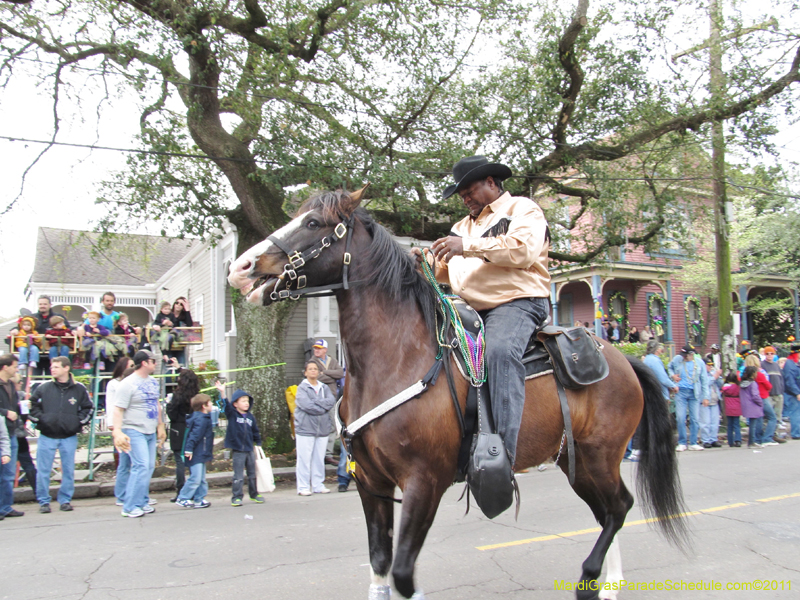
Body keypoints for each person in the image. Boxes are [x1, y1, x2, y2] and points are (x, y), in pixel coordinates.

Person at [417, 155, 551, 465]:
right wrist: (422, 264)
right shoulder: (462, 227)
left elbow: (523, 251)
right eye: (461, 195)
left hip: (517, 303)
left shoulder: (522, 209)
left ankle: (501, 454)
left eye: (469, 192)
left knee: (499, 351)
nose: (464, 200)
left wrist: (466, 246)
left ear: (491, 183)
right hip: (471, 310)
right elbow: (444, 271)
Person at [28, 356, 93, 513]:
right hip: (47, 435)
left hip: (68, 436)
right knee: (43, 470)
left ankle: (65, 500)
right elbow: (32, 406)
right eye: (52, 366)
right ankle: (43, 501)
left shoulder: (79, 389)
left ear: (66, 368)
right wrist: (42, 420)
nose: (52, 369)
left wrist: (77, 422)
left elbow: (88, 408)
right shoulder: (43, 388)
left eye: (56, 366)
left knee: (68, 470)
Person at [112, 350, 166, 518]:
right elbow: (118, 409)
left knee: (148, 467)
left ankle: (141, 501)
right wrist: (117, 431)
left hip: (150, 430)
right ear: (144, 362)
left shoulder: (153, 382)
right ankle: (129, 506)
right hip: (133, 429)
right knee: (140, 465)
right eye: (153, 361)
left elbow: (156, 404)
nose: (155, 364)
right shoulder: (127, 384)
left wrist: (161, 426)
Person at [216, 382, 265, 506]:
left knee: (252, 474)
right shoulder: (232, 414)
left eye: (247, 401)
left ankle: (254, 494)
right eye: (243, 401)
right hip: (238, 450)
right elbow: (226, 406)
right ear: (235, 404)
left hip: (249, 449)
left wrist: (258, 442)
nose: (246, 403)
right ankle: (237, 496)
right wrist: (222, 392)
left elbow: (255, 431)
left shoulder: (250, 417)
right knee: (238, 475)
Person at [294, 361, 337, 495]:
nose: (313, 371)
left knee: (319, 458)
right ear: (305, 372)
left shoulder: (324, 387)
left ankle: (318, 484)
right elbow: (306, 405)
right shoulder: (302, 388)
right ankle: (303, 486)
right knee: (304, 459)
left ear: (318, 372)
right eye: (310, 369)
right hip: (305, 429)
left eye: (315, 369)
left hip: (322, 428)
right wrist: (321, 407)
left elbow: (331, 401)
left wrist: (318, 403)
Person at [166, 366, 201, 500]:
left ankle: (181, 490)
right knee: (193, 460)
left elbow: (172, 413)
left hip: (179, 429)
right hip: (193, 429)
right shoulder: (197, 396)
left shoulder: (177, 396)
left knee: (180, 462)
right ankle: (193, 490)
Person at [174, 394, 214, 509]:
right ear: (204, 406)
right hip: (196, 452)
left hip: (200, 452)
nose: (212, 404)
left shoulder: (203, 417)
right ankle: (183, 497)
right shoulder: (201, 419)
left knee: (201, 478)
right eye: (210, 403)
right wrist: (189, 449)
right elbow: (194, 436)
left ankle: (199, 498)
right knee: (196, 477)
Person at [668, 345, 710, 451]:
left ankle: (693, 442)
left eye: (686, 355)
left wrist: (706, 396)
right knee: (680, 417)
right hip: (681, 392)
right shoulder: (677, 359)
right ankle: (682, 442)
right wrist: (673, 376)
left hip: (694, 392)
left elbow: (704, 380)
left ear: (691, 354)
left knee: (694, 418)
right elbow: (669, 367)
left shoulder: (699, 363)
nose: (684, 357)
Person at [309, 338, 344, 463]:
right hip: (317, 398)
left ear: (325, 350)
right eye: (315, 348)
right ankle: (317, 453)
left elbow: (340, 373)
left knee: (332, 426)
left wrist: (325, 372)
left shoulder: (332, 361)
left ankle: (327, 454)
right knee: (318, 425)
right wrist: (330, 377)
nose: (316, 350)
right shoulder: (312, 362)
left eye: (319, 348)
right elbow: (316, 377)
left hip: (331, 398)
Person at [107, 357, 135, 506]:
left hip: (133, 426)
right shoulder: (115, 384)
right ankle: (122, 494)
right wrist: (113, 426)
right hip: (121, 427)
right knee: (124, 463)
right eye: (131, 366)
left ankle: (133, 492)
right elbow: (112, 405)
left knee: (135, 463)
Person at [0, 354, 24, 519]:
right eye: (15, 366)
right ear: (5, 366)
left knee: (8, 474)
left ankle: (5, 506)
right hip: (2, 432)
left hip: (11, 433)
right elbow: (7, 411)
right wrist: (5, 412)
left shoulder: (11, 385)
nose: (16, 369)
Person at [743, 354, 777, 446]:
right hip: (762, 397)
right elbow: (769, 386)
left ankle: (757, 439)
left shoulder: (745, 375)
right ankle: (767, 438)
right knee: (772, 417)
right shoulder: (760, 374)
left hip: (751, 399)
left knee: (758, 418)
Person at [761, 346, 785, 430]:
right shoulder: (762, 365)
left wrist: (781, 391)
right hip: (768, 395)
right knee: (768, 416)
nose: (769, 355)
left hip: (778, 394)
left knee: (778, 416)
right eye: (767, 354)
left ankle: (776, 433)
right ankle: (766, 434)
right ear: (764, 354)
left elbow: (781, 379)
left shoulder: (776, 365)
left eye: (771, 353)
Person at [700, 360, 723, 448]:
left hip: (714, 401)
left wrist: (718, 377)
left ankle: (713, 439)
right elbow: (705, 383)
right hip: (705, 401)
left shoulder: (712, 373)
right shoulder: (701, 374)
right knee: (705, 422)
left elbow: (721, 384)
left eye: (711, 365)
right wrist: (714, 377)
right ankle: (706, 440)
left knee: (715, 422)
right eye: (708, 365)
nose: (710, 367)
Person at [739, 366, 764, 448]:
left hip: (746, 405)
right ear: (753, 374)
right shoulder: (753, 383)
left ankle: (751, 442)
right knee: (753, 425)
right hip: (753, 405)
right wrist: (760, 403)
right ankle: (752, 442)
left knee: (751, 424)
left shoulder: (743, 383)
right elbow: (755, 396)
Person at [781, 353, 800, 440]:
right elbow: (790, 381)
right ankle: (796, 433)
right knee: (796, 413)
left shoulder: (795, 363)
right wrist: (797, 393)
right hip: (795, 393)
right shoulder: (790, 364)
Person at [722, 371, 742, 447]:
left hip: (728, 408)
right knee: (736, 425)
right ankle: (738, 440)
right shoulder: (738, 387)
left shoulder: (725, 387)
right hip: (737, 408)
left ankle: (730, 441)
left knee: (729, 425)